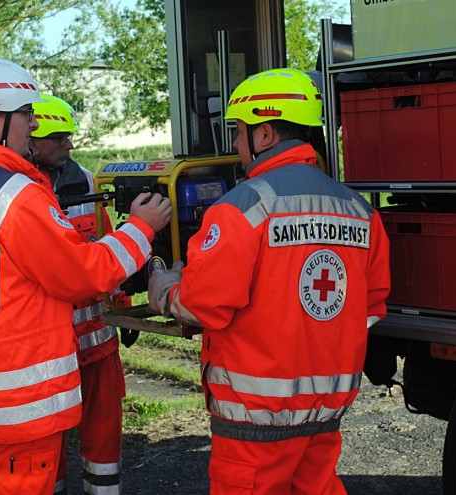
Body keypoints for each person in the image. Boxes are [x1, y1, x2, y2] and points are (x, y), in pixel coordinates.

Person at [0, 56, 171, 495]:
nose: (33, 126)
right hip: (19, 398)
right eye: (26, 114)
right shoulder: (16, 194)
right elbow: (84, 274)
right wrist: (142, 227)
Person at [148, 68, 391, 494]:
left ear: (265, 135)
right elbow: (367, 310)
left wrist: (164, 288)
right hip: (324, 415)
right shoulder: (360, 212)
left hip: (255, 421)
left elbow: (201, 304)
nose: (237, 145)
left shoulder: (241, 208)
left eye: (240, 133)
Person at [29, 93, 129, 495]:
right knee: (46, 448)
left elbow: (106, 245)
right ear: (32, 141)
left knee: (104, 441)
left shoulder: (85, 181)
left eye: (69, 136)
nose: (69, 145)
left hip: (98, 342)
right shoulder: (19, 191)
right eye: (59, 137)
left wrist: (121, 304)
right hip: (48, 353)